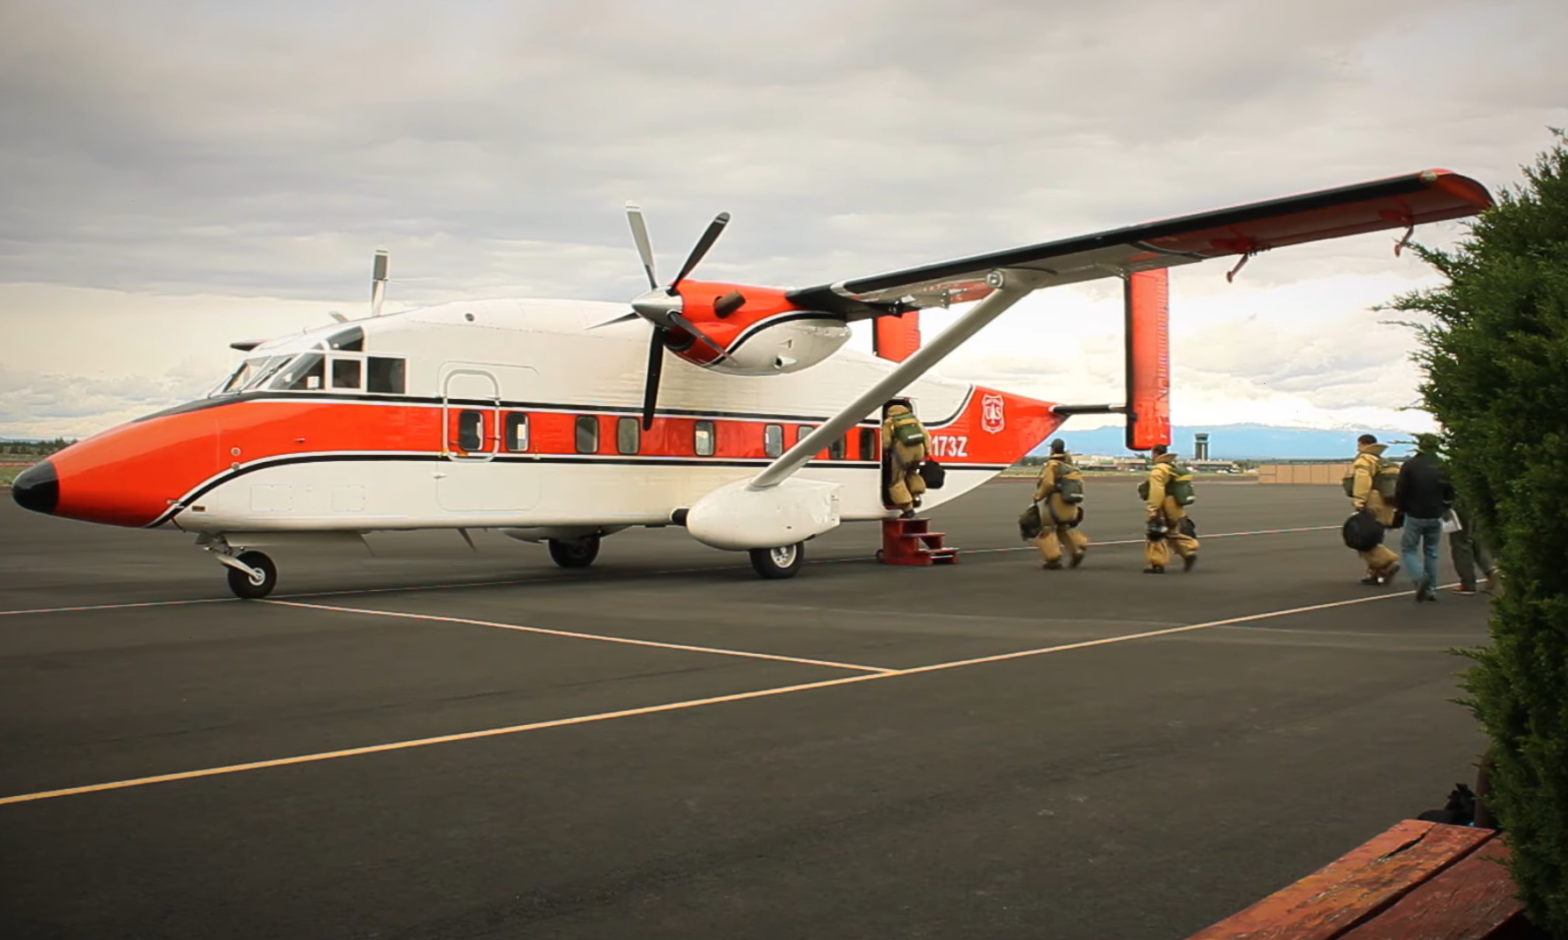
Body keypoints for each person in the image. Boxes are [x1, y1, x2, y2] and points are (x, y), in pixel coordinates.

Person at [1394, 433, 1455, 603]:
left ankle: (1420, 577)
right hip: (1435, 514)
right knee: (1432, 551)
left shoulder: (1410, 465)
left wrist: (1400, 508)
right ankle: (1432, 589)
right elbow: (1450, 490)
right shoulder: (1443, 466)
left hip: (1414, 514)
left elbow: (1401, 490)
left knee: (1409, 549)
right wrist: (1446, 506)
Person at [1349, 434, 1401, 586]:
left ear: (1362, 444)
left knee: (1363, 538)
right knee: (1375, 536)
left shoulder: (1364, 460)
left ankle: (1387, 562)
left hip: (1373, 503)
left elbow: (1362, 482)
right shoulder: (1385, 462)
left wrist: (1359, 501)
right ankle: (1376, 572)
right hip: (1388, 505)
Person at [1032, 439, 1088, 569]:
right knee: (1063, 527)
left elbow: (1048, 484)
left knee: (1047, 529)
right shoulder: (1070, 466)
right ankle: (1077, 549)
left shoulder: (1053, 465)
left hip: (1055, 502)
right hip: (1070, 504)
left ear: (1052, 449)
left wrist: (1038, 495)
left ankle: (1053, 558)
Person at [1143, 444, 1198, 574]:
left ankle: (1157, 563)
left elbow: (1157, 490)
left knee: (1156, 533)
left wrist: (1153, 509)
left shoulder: (1159, 469)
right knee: (1172, 532)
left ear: (1155, 453)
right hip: (1176, 505)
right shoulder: (1172, 467)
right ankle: (1188, 551)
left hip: (1165, 504)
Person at [882, 400, 929, 519]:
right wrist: (927, 451)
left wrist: (885, 451)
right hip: (919, 451)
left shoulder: (890, 421)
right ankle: (916, 495)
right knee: (912, 473)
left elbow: (886, 441)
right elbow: (926, 436)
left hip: (903, 452)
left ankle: (907, 508)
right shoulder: (914, 420)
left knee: (897, 480)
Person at [1449, 501, 1499, 595]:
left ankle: (1467, 583)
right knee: (1475, 537)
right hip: (1472, 500)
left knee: (1460, 543)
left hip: (1458, 502)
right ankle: (1489, 569)